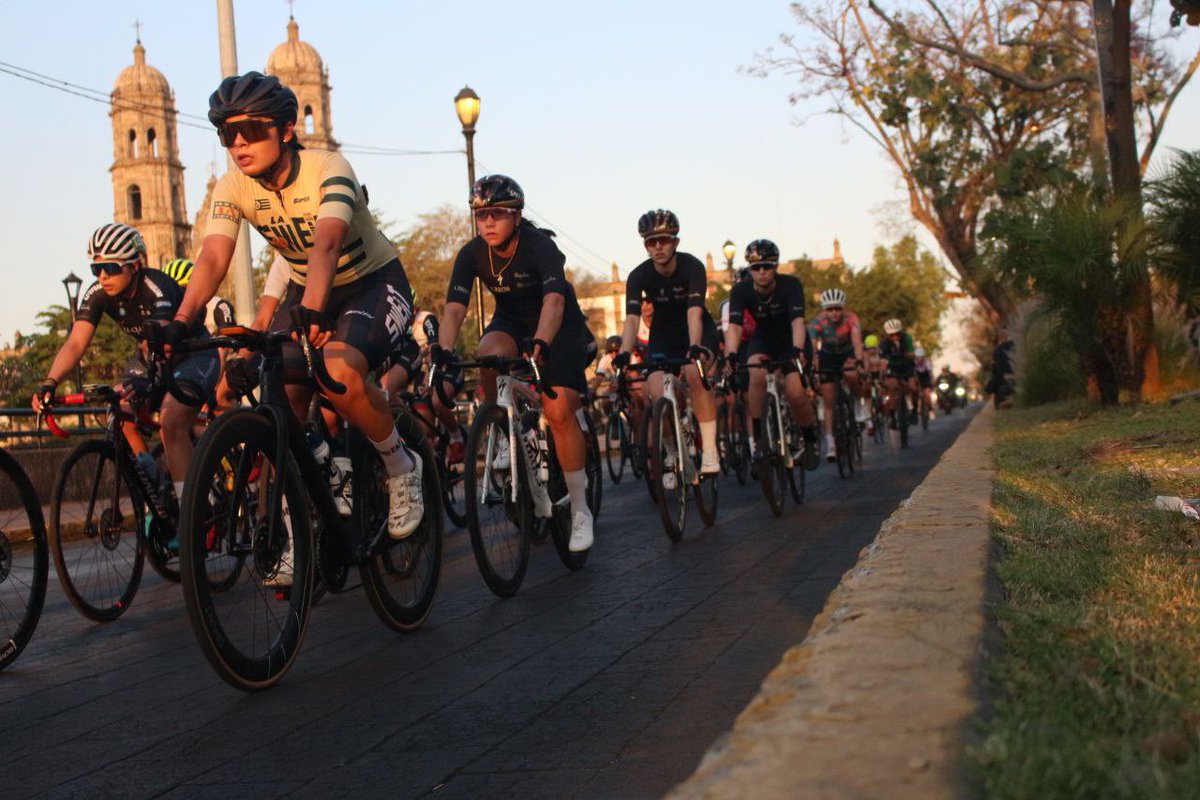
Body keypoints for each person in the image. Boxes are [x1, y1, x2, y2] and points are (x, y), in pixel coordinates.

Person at [169, 71, 424, 556]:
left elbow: (326, 246)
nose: (239, 144)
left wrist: (309, 310)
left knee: (339, 371)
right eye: (228, 134)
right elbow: (212, 258)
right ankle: (298, 523)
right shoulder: (233, 185)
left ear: (286, 130)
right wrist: (182, 319)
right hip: (311, 293)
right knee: (276, 400)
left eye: (253, 130)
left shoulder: (329, 167)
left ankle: (399, 465)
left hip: (371, 284)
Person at [434, 174, 596, 552]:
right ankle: (500, 429)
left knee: (557, 412)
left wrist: (541, 343)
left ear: (517, 216)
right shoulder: (471, 253)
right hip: (510, 320)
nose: (488, 222)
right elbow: (454, 308)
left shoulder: (540, 247)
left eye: (497, 214)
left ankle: (580, 509)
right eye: (481, 214)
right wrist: (442, 352)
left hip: (557, 324)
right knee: (488, 353)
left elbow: (554, 303)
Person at [32, 224, 220, 521]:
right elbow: (76, 342)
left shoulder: (157, 287)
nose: (102, 276)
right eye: (96, 268)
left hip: (193, 355)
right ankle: (156, 482)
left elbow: (157, 343)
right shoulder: (98, 293)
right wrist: (50, 382)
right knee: (119, 409)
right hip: (150, 355)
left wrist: (145, 384)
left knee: (171, 421)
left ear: (134, 265)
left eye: (110, 267)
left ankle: (192, 516)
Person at [612, 209, 721, 488]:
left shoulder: (692, 267)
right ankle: (672, 454)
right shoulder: (638, 275)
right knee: (656, 390)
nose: (658, 246)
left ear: (675, 242)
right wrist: (624, 352)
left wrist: (695, 347)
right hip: (664, 331)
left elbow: (694, 314)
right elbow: (633, 319)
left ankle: (709, 449)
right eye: (650, 242)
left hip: (695, 328)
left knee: (695, 375)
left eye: (663, 240)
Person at [723, 239, 819, 469]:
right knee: (755, 375)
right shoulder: (740, 290)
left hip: (791, 339)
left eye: (767, 266)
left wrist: (797, 350)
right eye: (756, 267)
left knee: (796, 393)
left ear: (775, 266)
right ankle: (758, 442)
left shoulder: (791, 285)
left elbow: (797, 321)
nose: (762, 272)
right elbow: (734, 327)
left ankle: (810, 440)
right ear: (749, 269)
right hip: (764, 338)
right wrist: (731, 355)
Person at [809, 288, 867, 461]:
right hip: (828, 356)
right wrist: (814, 361)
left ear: (843, 309)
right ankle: (831, 444)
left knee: (850, 375)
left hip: (847, 353)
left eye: (837, 309)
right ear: (824, 311)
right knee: (829, 400)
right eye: (829, 309)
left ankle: (857, 403)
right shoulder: (816, 323)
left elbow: (857, 342)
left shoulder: (852, 319)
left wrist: (858, 360)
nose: (834, 313)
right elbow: (812, 347)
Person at [879, 318, 918, 424]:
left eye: (897, 334)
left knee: (913, 387)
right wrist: (882, 373)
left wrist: (908, 354)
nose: (895, 337)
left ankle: (914, 411)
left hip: (907, 366)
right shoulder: (884, 343)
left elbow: (912, 353)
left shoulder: (907, 338)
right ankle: (892, 415)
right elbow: (882, 360)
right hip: (893, 368)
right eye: (892, 335)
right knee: (891, 388)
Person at [914, 346, 934, 421]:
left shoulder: (927, 362)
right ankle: (917, 409)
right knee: (916, 394)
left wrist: (932, 381)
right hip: (918, 379)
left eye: (921, 356)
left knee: (927, 395)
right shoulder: (914, 362)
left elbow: (930, 372)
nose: (919, 358)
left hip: (926, 379)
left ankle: (930, 409)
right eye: (918, 357)